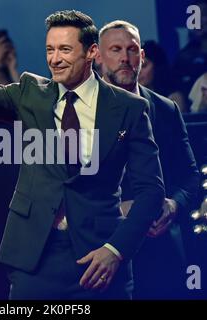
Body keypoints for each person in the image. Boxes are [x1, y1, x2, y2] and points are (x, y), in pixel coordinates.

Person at [0, 10, 165, 299]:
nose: (54, 59)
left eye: (65, 49)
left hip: (99, 260)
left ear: (92, 52)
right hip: (35, 257)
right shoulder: (30, 94)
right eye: (50, 49)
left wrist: (116, 250)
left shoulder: (129, 108)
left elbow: (151, 191)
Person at [96, 20, 200, 299]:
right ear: (97, 56)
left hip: (162, 250)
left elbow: (192, 177)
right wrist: (119, 207)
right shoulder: (79, 113)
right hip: (105, 252)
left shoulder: (166, 109)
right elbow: (65, 192)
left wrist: (173, 204)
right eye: (115, 49)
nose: (124, 58)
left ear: (141, 57)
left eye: (131, 50)